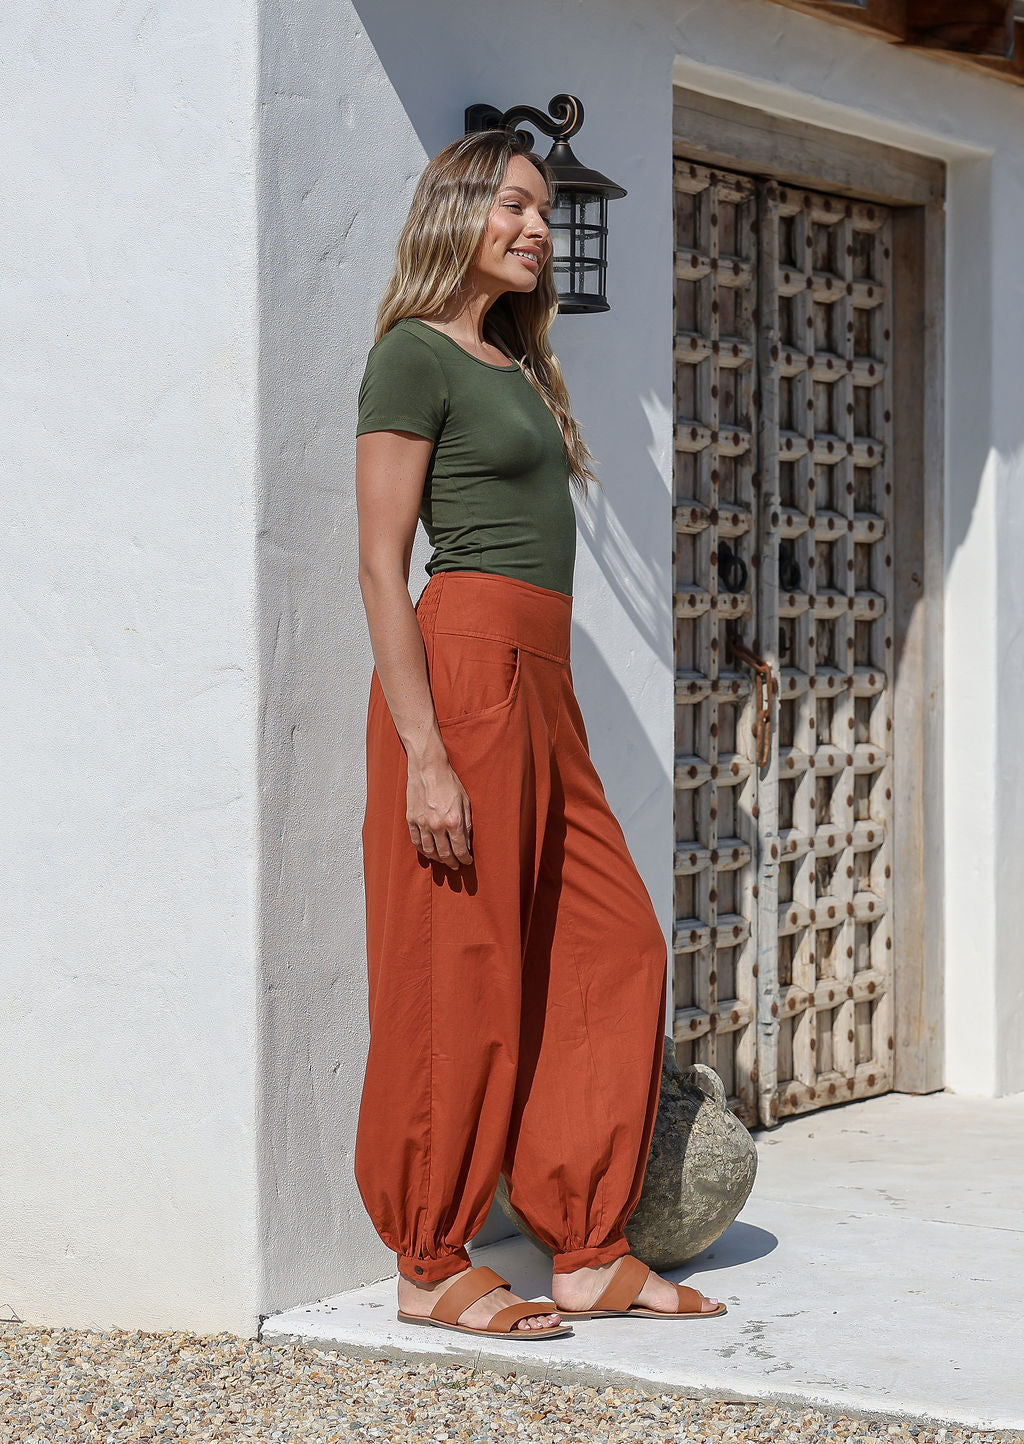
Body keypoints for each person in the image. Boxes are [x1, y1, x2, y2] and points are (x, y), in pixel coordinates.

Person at [353, 128, 725, 1339]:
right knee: (455, 967)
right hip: (462, 669)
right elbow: (377, 560)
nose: (535, 226)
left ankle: (582, 1243)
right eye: (514, 204)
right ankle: (431, 1258)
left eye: (543, 209)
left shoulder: (511, 363)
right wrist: (423, 751)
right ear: (456, 211)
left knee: (610, 943)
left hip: (542, 682)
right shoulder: (413, 358)